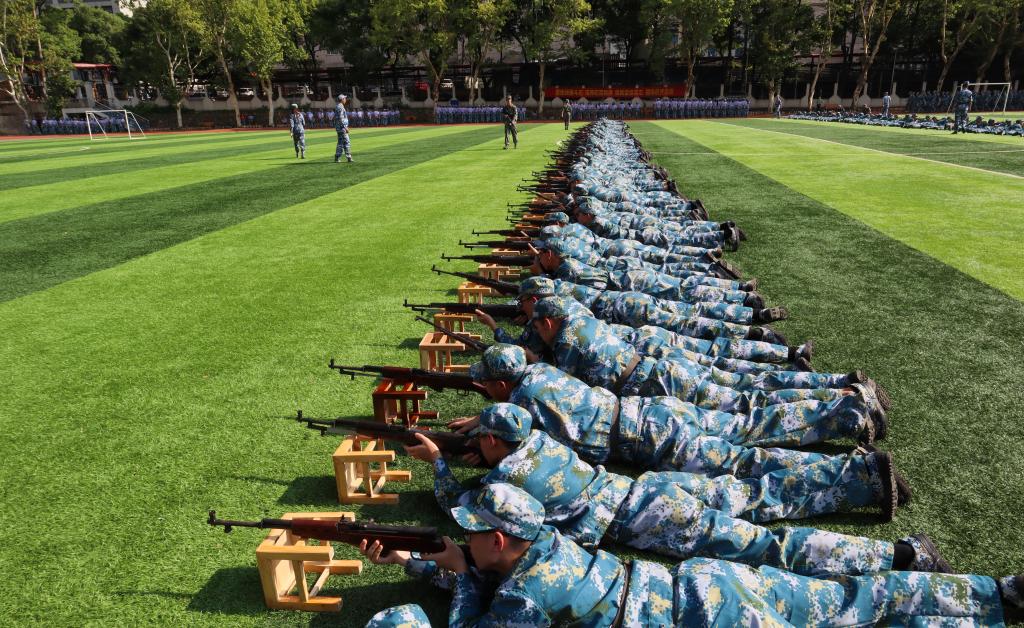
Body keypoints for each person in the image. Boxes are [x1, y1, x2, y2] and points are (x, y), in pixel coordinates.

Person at [359, 484, 1023, 626]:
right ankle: (999, 593)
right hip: (706, 586)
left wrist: (453, 573)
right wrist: (429, 562)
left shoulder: (522, 599)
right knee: (856, 600)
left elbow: (480, 612)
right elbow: (487, 575)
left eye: (474, 533)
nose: (468, 539)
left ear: (500, 540)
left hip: (708, 619)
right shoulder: (553, 544)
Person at [406, 403, 926, 569]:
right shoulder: (539, 441)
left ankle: (901, 557)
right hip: (651, 489)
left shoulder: (504, 481)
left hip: (647, 517)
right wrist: (481, 447)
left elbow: (457, 505)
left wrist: (438, 463)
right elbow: (506, 452)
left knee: (767, 548)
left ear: (490, 441)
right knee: (756, 492)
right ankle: (862, 477)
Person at [334, 94, 353, 163]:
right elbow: (341, 118)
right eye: (344, 98)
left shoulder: (338, 106)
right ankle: (348, 157)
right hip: (342, 128)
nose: (345, 100)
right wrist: (345, 127)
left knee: (341, 142)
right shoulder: (340, 107)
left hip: (339, 127)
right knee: (346, 142)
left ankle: (338, 157)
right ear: (342, 99)